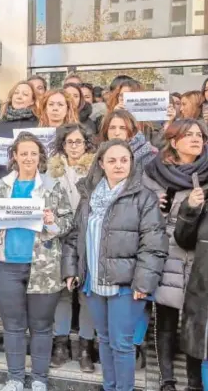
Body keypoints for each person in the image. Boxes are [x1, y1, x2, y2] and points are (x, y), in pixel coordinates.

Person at [0, 132, 73, 391]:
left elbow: (68, 222)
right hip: (6, 266)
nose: (28, 158)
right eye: (23, 153)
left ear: (40, 157)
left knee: (41, 327)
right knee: (13, 327)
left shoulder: (53, 186)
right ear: (14, 156)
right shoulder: (2, 185)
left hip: (44, 266)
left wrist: (52, 222)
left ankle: (39, 379)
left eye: (33, 154)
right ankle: (15, 377)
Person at [63, 139, 168, 391]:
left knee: (122, 343)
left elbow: (153, 244)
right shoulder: (89, 197)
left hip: (126, 285)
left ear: (132, 163)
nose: (119, 165)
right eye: (112, 160)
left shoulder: (144, 198)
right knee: (106, 340)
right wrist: (71, 270)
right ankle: (110, 387)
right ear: (101, 163)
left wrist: (143, 282)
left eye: (124, 160)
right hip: (94, 281)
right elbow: (75, 236)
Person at [142, 119, 208, 391]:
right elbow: (142, 212)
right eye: (188, 134)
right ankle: (166, 379)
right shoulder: (153, 172)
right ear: (173, 140)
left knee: (196, 321)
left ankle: (194, 382)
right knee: (166, 319)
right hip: (166, 251)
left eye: (199, 135)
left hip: (200, 254)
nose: (196, 139)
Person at [47, 124, 97, 372]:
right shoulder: (51, 169)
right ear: (62, 145)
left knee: (86, 293)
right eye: (69, 142)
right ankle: (61, 344)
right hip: (58, 236)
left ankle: (86, 348)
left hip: (87, 237)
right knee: (62, 293)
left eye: (79, 142)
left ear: (87, 144)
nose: (74, 147)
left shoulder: (96, 169)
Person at [0, 81, 40, 252]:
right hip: (3, 183)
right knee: (1, 231)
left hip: (29, 185)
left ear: (32, 101)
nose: (20, 96)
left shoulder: (38, 123)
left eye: (25, 94)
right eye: (17, 93)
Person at [173, 184, 208, 391]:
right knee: (197, 352)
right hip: (201, 292)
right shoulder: (203, 198)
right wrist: (191, 208)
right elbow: (183, 240)